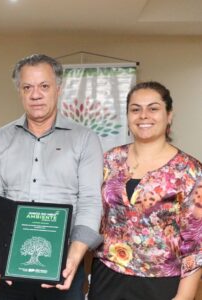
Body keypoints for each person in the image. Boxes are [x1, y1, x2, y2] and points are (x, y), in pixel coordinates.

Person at [0, 54, 104, 300]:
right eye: (28, 87)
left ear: (58, 89)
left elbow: (90, 200)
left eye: (44, 86)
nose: (35, 95)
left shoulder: (85, 140)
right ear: (20, 92)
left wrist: (74, 257)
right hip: (8, 266)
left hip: (65, 265)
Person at [88, 81, 202, 300]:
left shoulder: (190, 171)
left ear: (169, 115)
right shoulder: (109, 161)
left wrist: (184, 297)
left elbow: (196, 245)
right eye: (135, 109)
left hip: (161, 283)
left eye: (153, 108)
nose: (143, 116)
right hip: (107, 276)